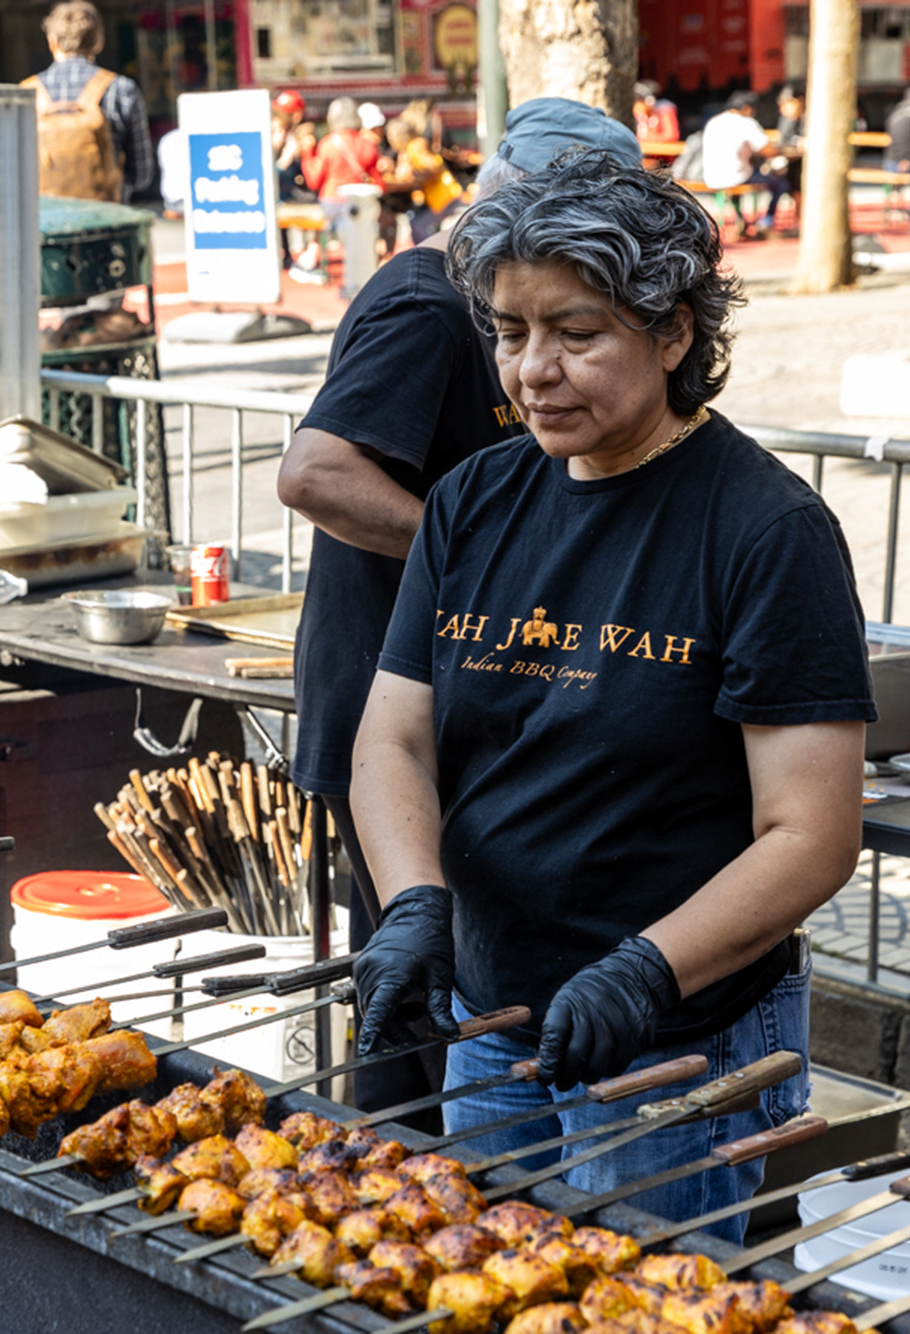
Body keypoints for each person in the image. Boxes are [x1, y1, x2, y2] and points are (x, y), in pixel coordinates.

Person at [348, 147, 873, 1233]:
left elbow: (808, 830)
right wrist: (412, 901)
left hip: (681, 1034)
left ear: (671, 330)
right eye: (508, 332)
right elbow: (393, 740)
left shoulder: (765, 532)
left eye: (574, 333)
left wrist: (644, 970)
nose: (530, 368)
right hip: (487, 1012)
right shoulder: (470, 500)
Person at [276, 98, 642, 1130]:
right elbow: (313, 472)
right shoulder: (427, 302)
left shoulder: (482, 301)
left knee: (465, 1004)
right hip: (390, 715)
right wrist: (477, 567)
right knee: (408, 1018)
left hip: (464, 715)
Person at [23, 1, 152, 203]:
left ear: (52, 42)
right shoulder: (122, 89)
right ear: (98, 42)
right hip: (108, 219)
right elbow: (141, 176)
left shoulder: (26, 94)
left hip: (44, 222)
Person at [701, 91, 789, 238]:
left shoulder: (714, 121)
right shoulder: (746, 123)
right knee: (780, 184)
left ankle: (741, 220)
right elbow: (768, 150)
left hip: (712, 175)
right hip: (737, 176)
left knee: (744, 173)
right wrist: (783, 149)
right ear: (747, 108)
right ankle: (765, 222)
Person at [384, 118, 464, 243]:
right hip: (441, 197)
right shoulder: (409, 149)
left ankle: (430, 253)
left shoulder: (416, 145)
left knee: (418, 224)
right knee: (414, 219)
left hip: (445, 196)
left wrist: (415, 177)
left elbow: (432, 168)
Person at [303, 97, 384, 202]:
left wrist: (307, 152)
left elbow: (314, 181)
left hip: (332, 200)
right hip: (360, 203)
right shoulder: (368, 143)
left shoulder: (327, 144)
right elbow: (378, 183)